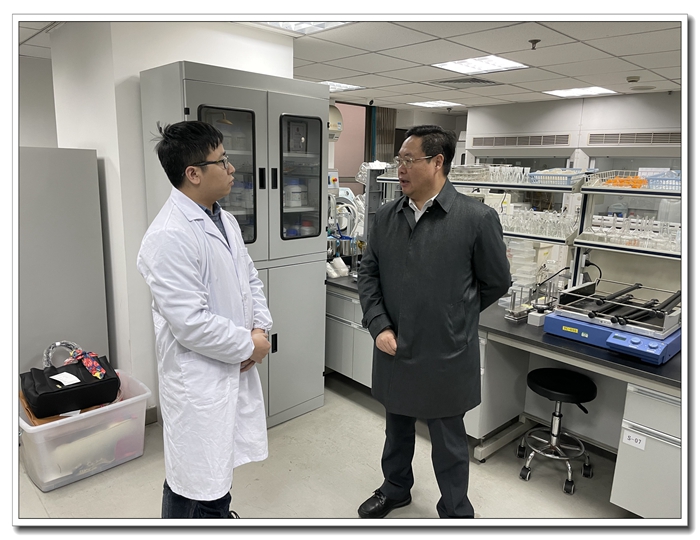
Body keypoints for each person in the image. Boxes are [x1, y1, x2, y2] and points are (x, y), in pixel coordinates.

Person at [356, 125, 511, 519]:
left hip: (446, 352)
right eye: (399, 160)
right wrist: (379, 324)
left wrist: (453, 317)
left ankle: (456, 511)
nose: (400, 169)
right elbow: (368, 274)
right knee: (396, 430)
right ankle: (395, 489)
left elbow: (496, 282)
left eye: (409, 160)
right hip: (395, 346)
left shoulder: (476, 218)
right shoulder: (387, 216)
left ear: (438, 162)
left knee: (449, 441)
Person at [137, 121, 272, 519]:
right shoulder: (167, 236)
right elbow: (190, 323)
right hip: (198, 379)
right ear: (193, 174)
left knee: (217, 471)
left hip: (229, 365)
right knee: (191, 480)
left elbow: (250, 281)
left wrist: (260, 329)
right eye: (222, 161)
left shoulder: (224, 220)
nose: (231, 168)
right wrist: (248, 345)